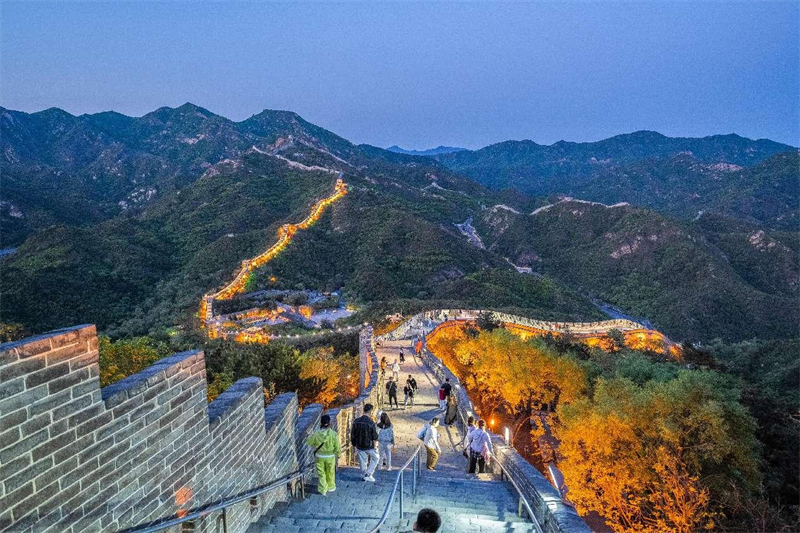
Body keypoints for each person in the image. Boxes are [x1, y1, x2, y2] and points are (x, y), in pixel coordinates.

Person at [305, 414, 341, 495]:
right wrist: (338, 454)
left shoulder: (316, 433)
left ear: (320, 423)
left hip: (319, 456)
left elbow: (309, 442)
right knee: (330, 472)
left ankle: (323, 489)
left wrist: (308, 435)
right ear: (329, 423)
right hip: (330, 456)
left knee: (321, 473)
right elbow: (337, 446)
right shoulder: (333, 434)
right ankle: (331, 487)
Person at [351, 403, 380, 482]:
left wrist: (354, 443)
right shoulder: (371, 423)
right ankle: (368, 473)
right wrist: (375, 444)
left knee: (363, 461)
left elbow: (353, 434)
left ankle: (365, 474)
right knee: (376, 458)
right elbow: (375, 436)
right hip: (369, 445)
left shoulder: (356, 421)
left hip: (359, 445)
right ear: (370, 411)